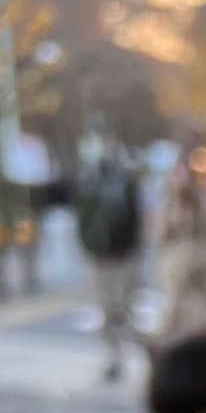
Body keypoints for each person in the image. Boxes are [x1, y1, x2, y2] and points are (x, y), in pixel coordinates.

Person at [74, 139, 143, 382]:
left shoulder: (127, 187)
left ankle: (142, 352)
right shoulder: (89, 187)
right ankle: (114, 356)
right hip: (100, 258)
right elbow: (82, 221)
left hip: (123, 258)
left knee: (123, 308)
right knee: (106, 309)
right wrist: (89, 247)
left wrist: (130, 250)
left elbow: (136, 222)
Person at [154, 158, 206, 347]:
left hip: (195, 267)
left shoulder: (200, 204)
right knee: (172, 313)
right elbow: (159, 233)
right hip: (173, 265)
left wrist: (203, 259)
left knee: (198, 317)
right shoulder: (167, 203)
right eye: (176, 176)